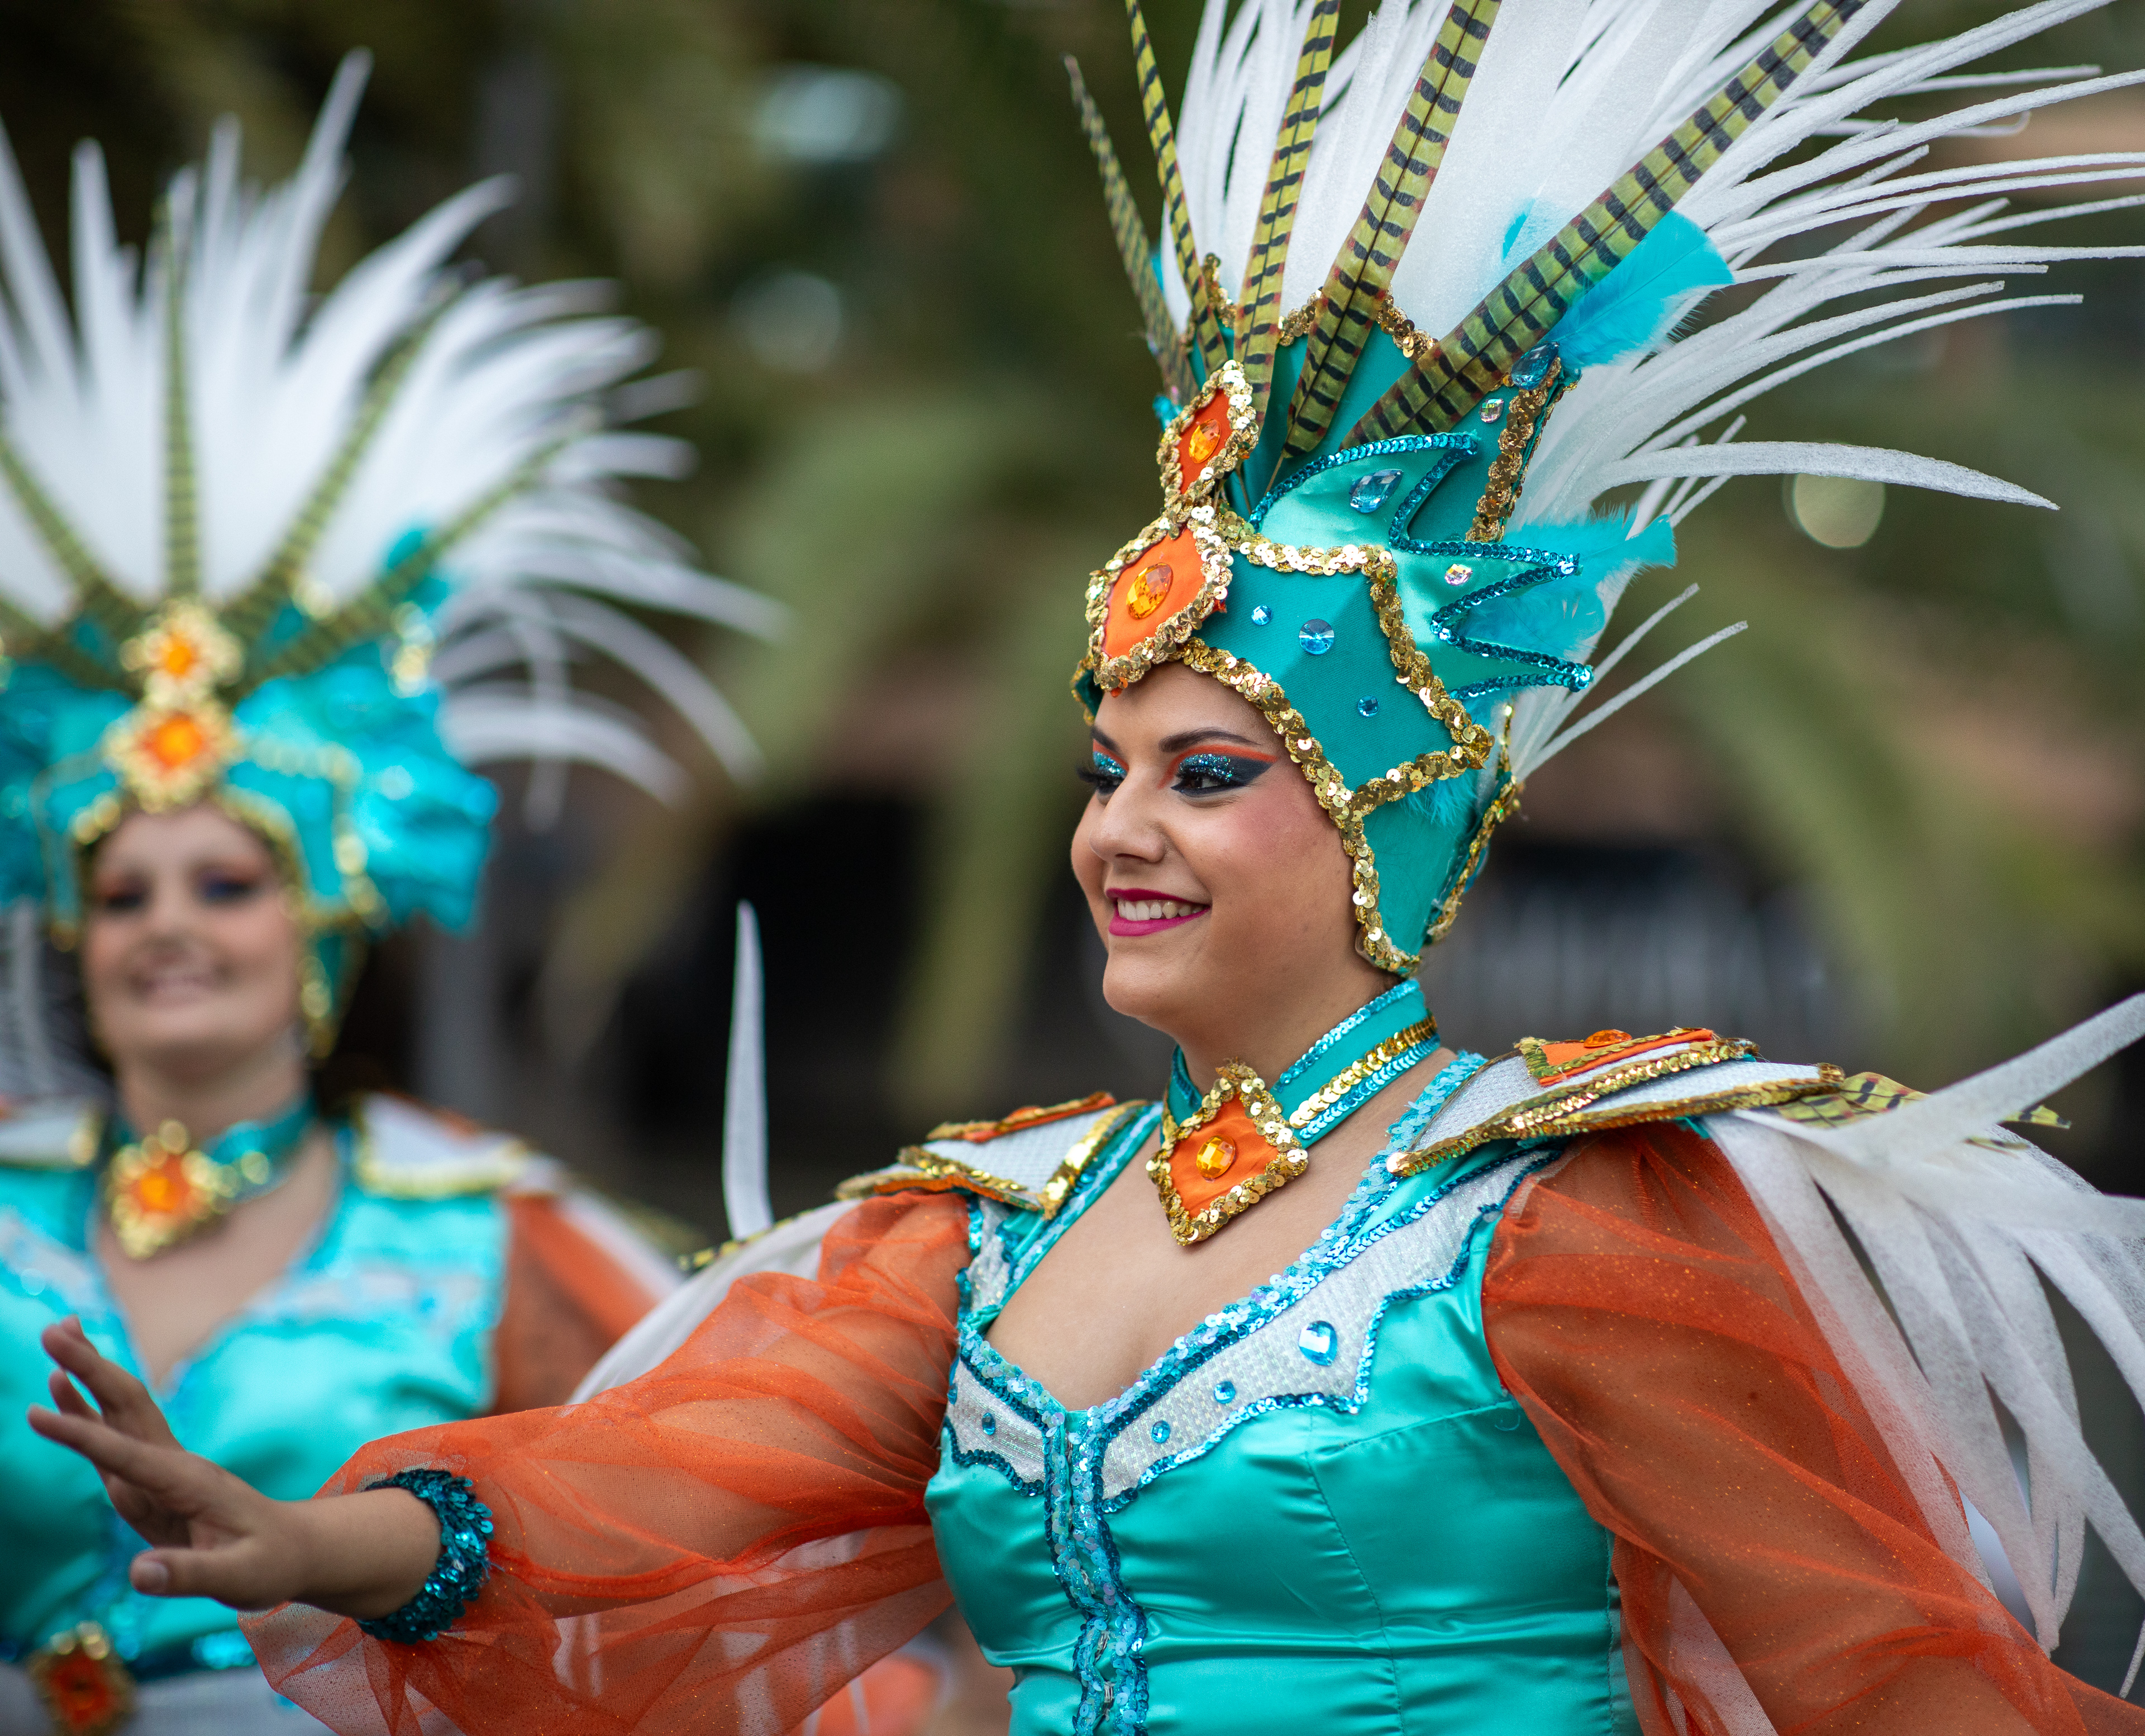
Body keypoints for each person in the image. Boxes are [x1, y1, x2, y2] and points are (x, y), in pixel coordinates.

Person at [25, 3, 2145, 1732]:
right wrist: (324, 1539)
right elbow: (658, 1482)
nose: (1117, 827)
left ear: (1380, 828)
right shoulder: (989, 1230)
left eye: (1207, 771)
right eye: (1103, 764)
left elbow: (1887, 1677)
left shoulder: (1566, 1215)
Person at [0, 55, 777, 1736]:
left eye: (227, 877)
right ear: (70, 930)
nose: (171, 925)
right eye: (123, 891)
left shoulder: (490, 1230)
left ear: (328, 926)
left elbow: (669, 1532)